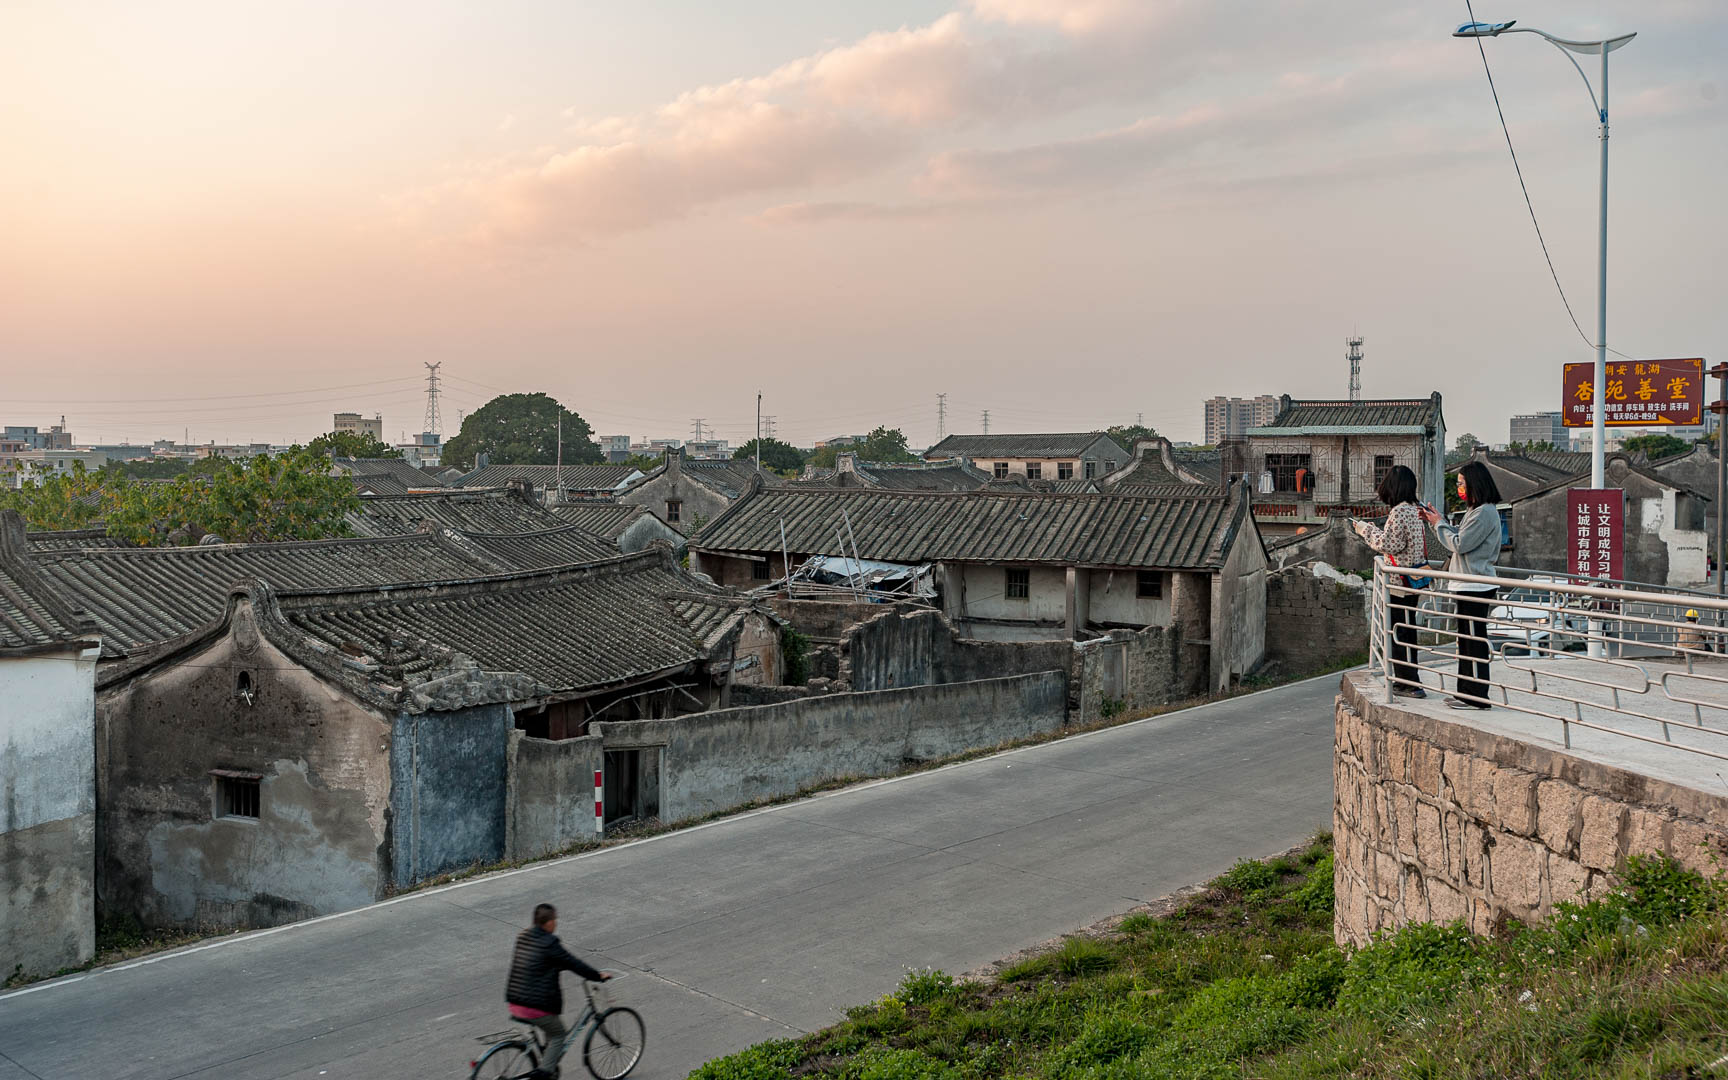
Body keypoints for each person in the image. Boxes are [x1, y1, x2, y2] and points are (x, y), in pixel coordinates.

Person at [1420, 462, 1502, 710]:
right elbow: (1458, 537)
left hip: (1475, 585)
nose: (1459, 488)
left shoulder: (1484, 512)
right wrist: (1437, 522)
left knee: (1473, 642)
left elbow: (1459, 543)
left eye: (1461, 483)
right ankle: (1465, 693)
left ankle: (1476, 696)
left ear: (1474, 483)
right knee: (1465, 642)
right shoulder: (1476, 511)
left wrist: (1439, 523)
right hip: (1468, 584)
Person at [506, 903, 611, 1079]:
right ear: (548, 923)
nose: (556, 922)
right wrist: (597, 976)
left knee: (549, 1031)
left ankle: (547, 1065)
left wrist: (556, 965)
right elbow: (574, 963)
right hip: (534, 1007)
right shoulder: (550, 943)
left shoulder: (523, 936)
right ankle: (544, 1073)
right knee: (558, 1035)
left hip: (515, 1001)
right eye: (555, 919)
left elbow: (536, 962)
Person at [1354, 464, 1428, 698]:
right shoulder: (1415, 509)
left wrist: (1365, 529)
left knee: (1397, 633)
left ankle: (1408, 683)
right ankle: (1408, 680)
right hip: (1414, 581)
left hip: (1398, 584)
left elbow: (1390, 544)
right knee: (1407, 632)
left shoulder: (1399, 512)